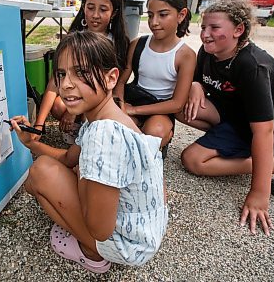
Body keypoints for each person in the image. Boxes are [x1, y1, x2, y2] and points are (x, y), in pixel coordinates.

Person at [9, 31, 167, 273]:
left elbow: (100, 229)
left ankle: (92, 253)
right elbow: (67, 157)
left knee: (41, 173)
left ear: (112, 77)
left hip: (128, 245)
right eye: (61, 74)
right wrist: (30, 143)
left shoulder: (103, 135)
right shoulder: (110, 118)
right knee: (44, 172)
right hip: (146, 232)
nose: (66, 84)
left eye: (81, 73)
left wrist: (83, 173)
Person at [177, 0, 274, 236]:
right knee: (179, 107)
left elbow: (264, 131)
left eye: (215, 27)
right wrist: (197, 85)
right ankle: (230, 143)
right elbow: (197, 78)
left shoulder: (253, 66)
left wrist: (259, 193)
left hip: (273, 120)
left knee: (193, 159)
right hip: (236, 110)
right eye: (204, 26)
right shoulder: (208, 51)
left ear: (239, 30)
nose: (205, 33)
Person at [33, 0, 129, 142]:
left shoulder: (118, 43)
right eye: (90, 8)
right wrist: (38, 124)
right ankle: (76, 132)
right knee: (58, 105)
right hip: (78, 97)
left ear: (113, 13)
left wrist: (73, 113)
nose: (95, 15)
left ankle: (87, 135)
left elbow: (108, 89)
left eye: (103, 9)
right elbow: (54, 82)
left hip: (102, 102)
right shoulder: (73, 40)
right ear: (83, 7)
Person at [114, 0, 196, 149]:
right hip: (134, 97)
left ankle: (162, 137)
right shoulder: (137, 44)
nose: (154, 22)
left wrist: (133, 111)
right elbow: (121, 81)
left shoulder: (186, 55)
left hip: (161, 108)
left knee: (155, 132)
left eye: (163, 15)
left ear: (181, 15)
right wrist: (120, 105)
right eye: (150, 15)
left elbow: (177, 104)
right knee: (115, 127)